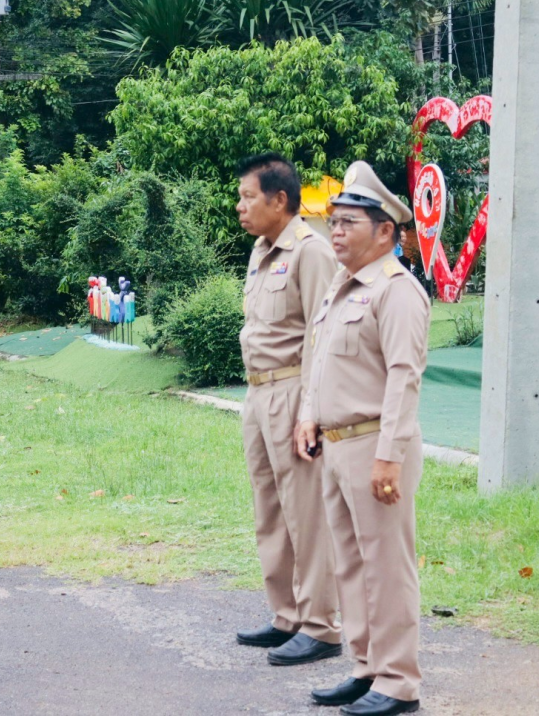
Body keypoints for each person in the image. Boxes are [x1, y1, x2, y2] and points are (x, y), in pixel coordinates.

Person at [296, 161, 429, 715]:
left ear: (385, 232)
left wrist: (389, 457)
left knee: (386, 567)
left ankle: (398, 682)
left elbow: (404, 377)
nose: (337, 232)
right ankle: (366, 666)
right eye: (334, 221)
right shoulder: (340, 288)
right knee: (350, 564)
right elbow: (318, 360)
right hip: (335, 446)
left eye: (350, 222)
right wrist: (307, 413)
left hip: (376, 446)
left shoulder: (395, 291)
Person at [234, 152, 342, 666]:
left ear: (280, 200)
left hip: (293, 393)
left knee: (307, 513)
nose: (240, 206)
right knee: (270, 511)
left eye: (248, 196)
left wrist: (312, 410)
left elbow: (323, 339)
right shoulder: (261, 251)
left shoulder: (310, 252)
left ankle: (321, 624)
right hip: (258, 394)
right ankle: (287, 616)